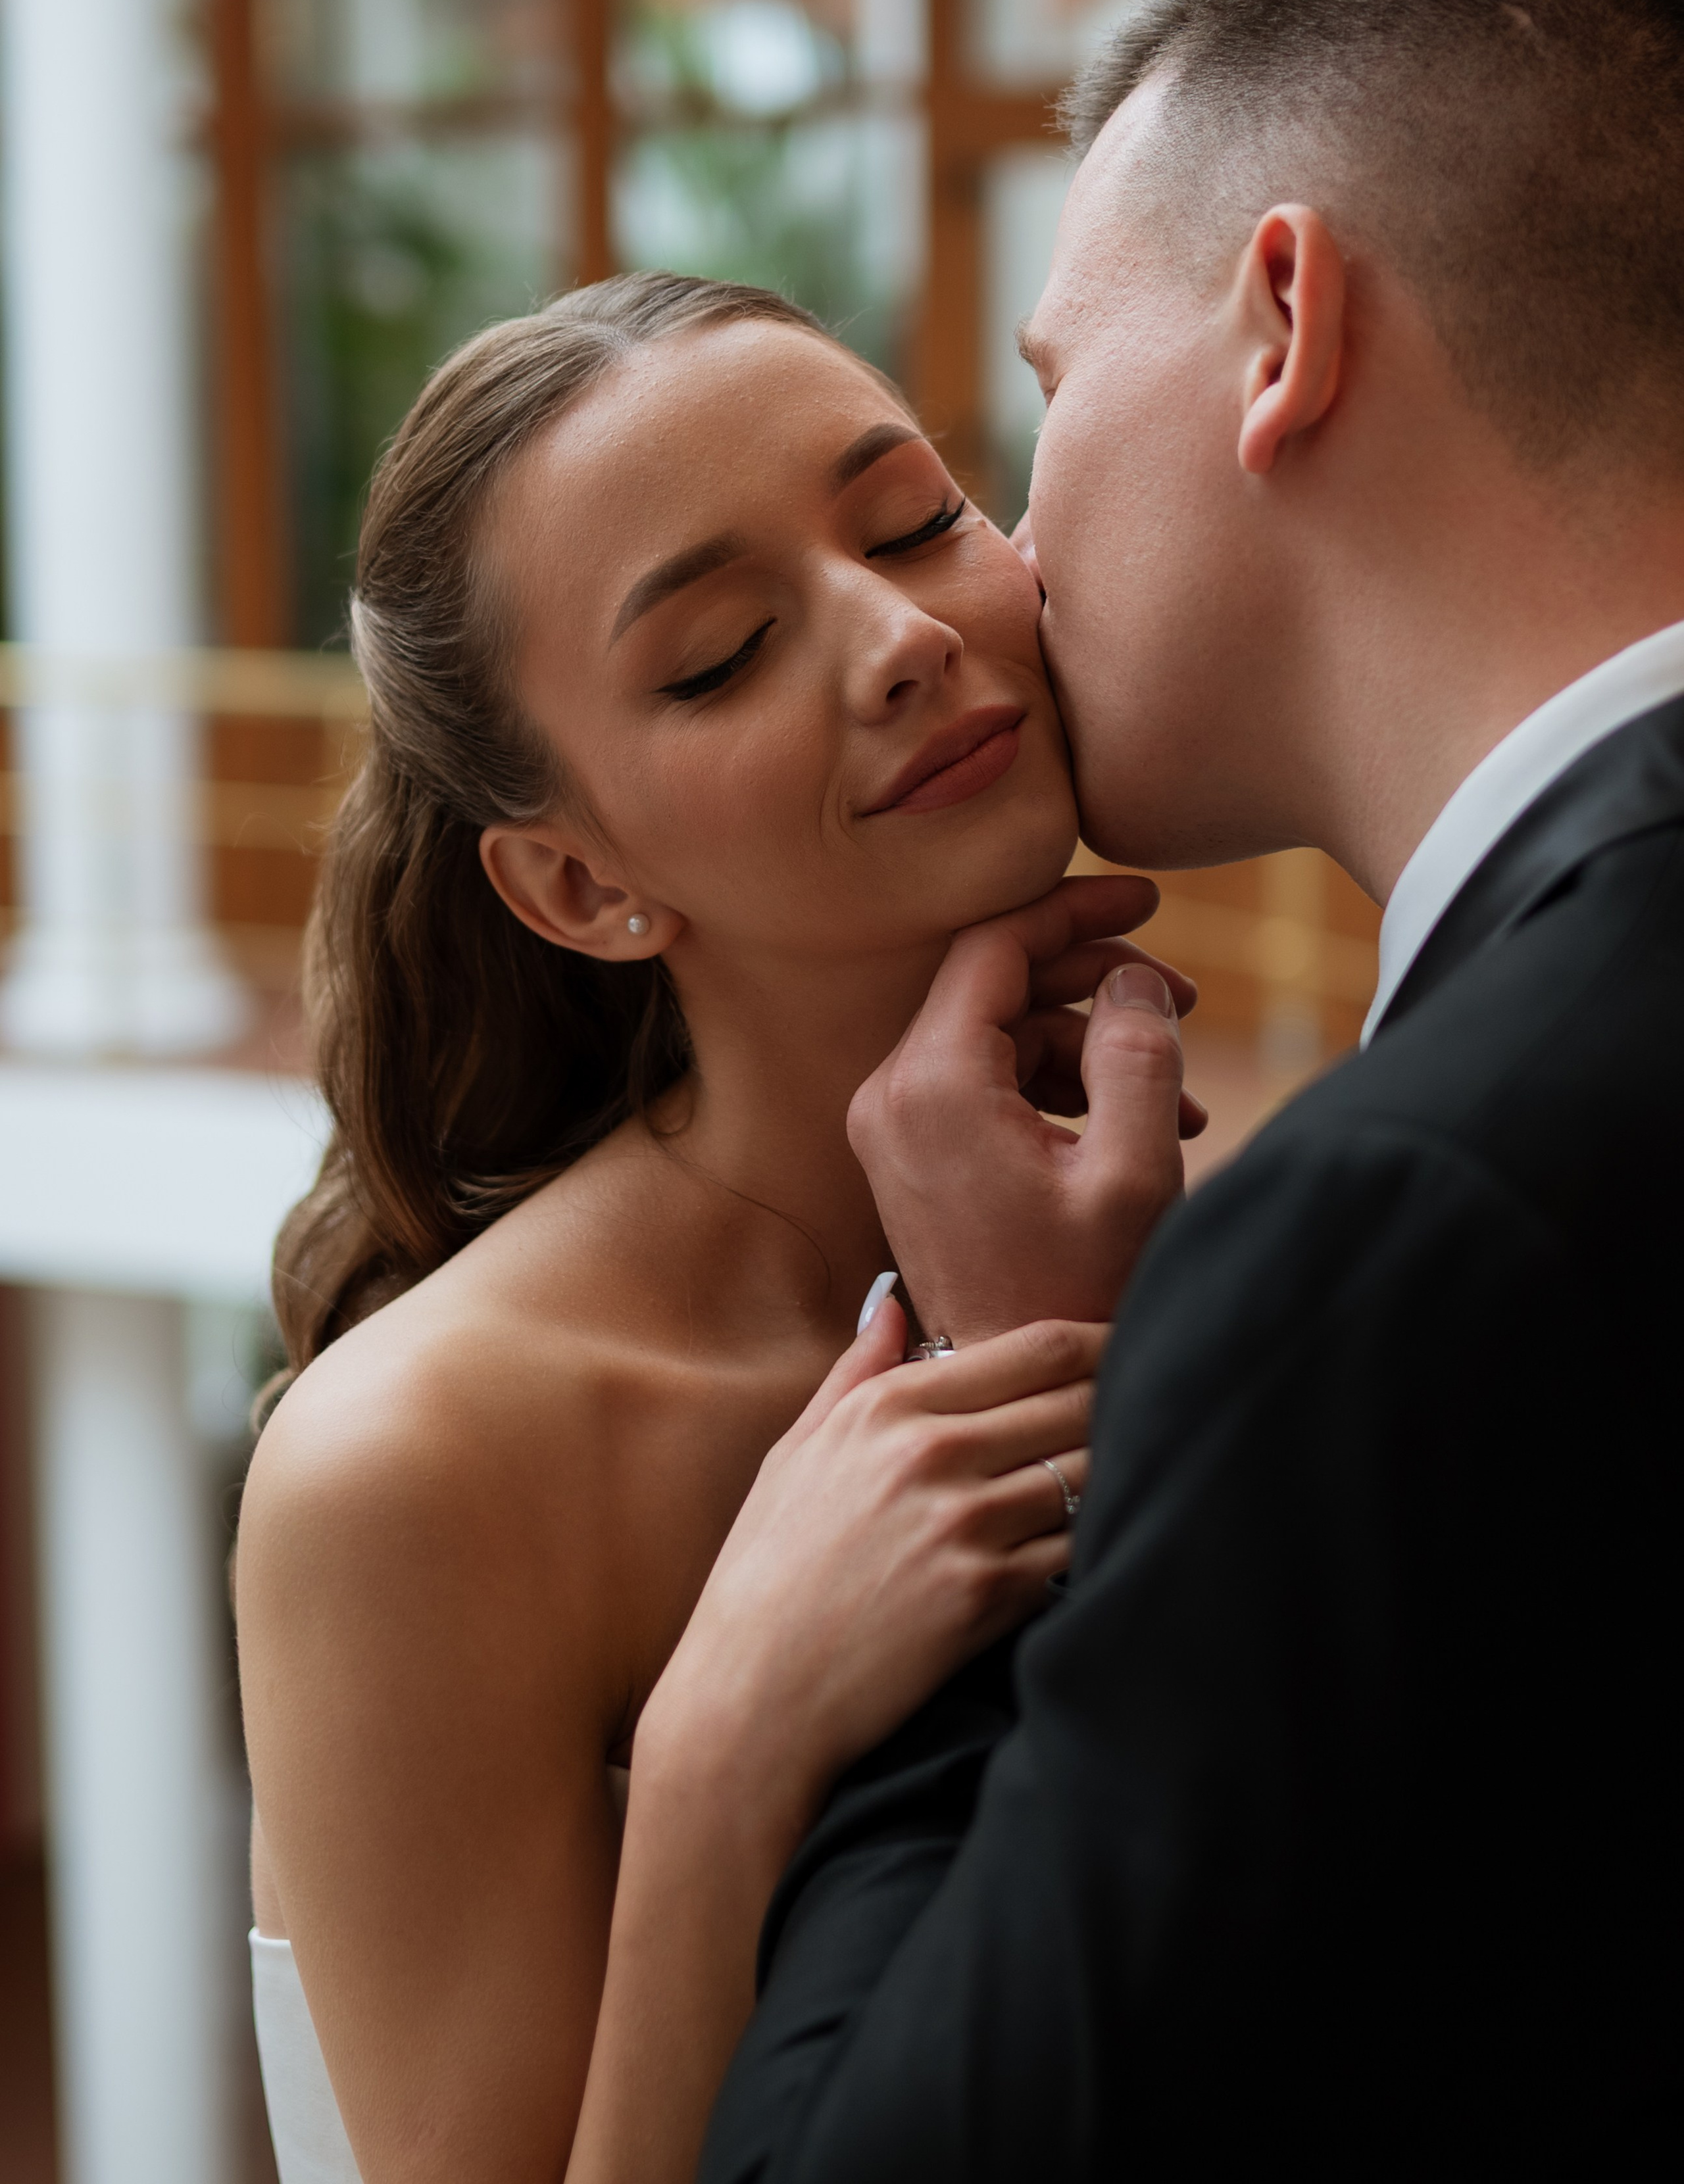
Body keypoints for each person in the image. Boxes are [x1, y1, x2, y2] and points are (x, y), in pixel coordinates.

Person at [539, 0, 1684, 2178]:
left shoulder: (1404, 1216)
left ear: (1282, 321)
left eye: (1029, 416)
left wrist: (1031, 1416)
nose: (1019, 559)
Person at [235, 272, 1199, 2184]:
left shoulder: (1211, 1239)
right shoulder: (420, 1466)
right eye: (722, 653)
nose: (903, 632)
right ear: (583, 885)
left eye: (920, 517)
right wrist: (720, 1755)